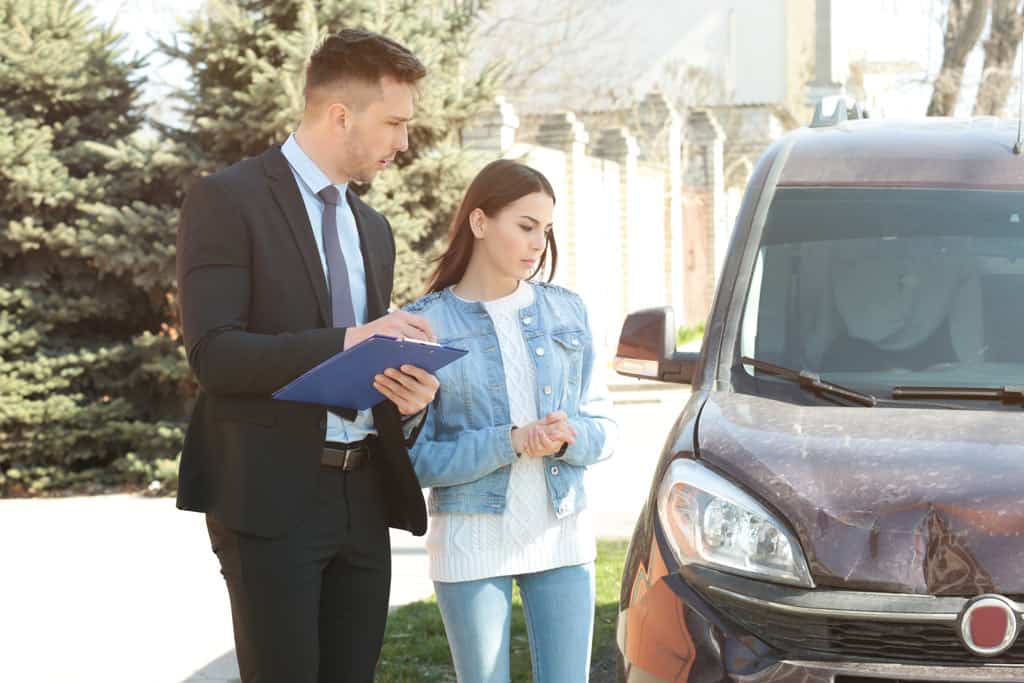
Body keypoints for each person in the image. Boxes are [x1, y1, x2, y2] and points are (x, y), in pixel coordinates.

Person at [174, 28, 441, 683]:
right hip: (269, 498)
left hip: (365, 495)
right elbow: (215, 355)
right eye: (395, 123)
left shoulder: (373, 229)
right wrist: (350, 339)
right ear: (339, 115)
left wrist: (409, 398)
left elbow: (361, 372)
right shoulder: (227, 199)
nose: (404, 142)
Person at [403, 159, 618, 682]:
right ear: (479, 223)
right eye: (525, 227)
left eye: (544, 230)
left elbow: (604, 428)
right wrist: (512, 442)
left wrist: (568, 439)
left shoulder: (568, 312)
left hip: (562, 534)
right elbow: (417, 460)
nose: (538, 243)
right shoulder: (424, 324)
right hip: (470, 540)